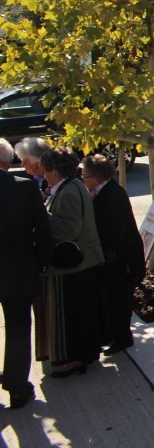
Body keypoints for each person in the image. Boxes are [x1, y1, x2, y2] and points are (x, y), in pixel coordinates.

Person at [39, 147, 105, 377]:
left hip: (73, 265)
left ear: (55, 172)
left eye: (46, 171)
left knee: (71, 316)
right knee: (83, 312)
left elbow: (70, 230)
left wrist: (42, 214)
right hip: (82, 262)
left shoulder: (68, 192)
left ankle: (74, 359)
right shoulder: (74, 185)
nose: (44, 175)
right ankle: (86, 354)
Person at [0, 138, 52, 409]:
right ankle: (17, 387)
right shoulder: (24, 188)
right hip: (17, 270)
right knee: (18, 328)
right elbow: (42, 230)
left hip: (15, 269)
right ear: (8, 163)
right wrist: (42, 264)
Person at [81, 155, 145, 354]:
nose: (83, 180)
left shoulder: (112, 195)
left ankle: (122, 338)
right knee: (112, 299)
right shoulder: (102, 191)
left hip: (121, 260)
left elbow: (115, 231)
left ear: (96, 177)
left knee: (119, 300)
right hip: (114, 259)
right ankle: (114, 335)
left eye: (85, 176)